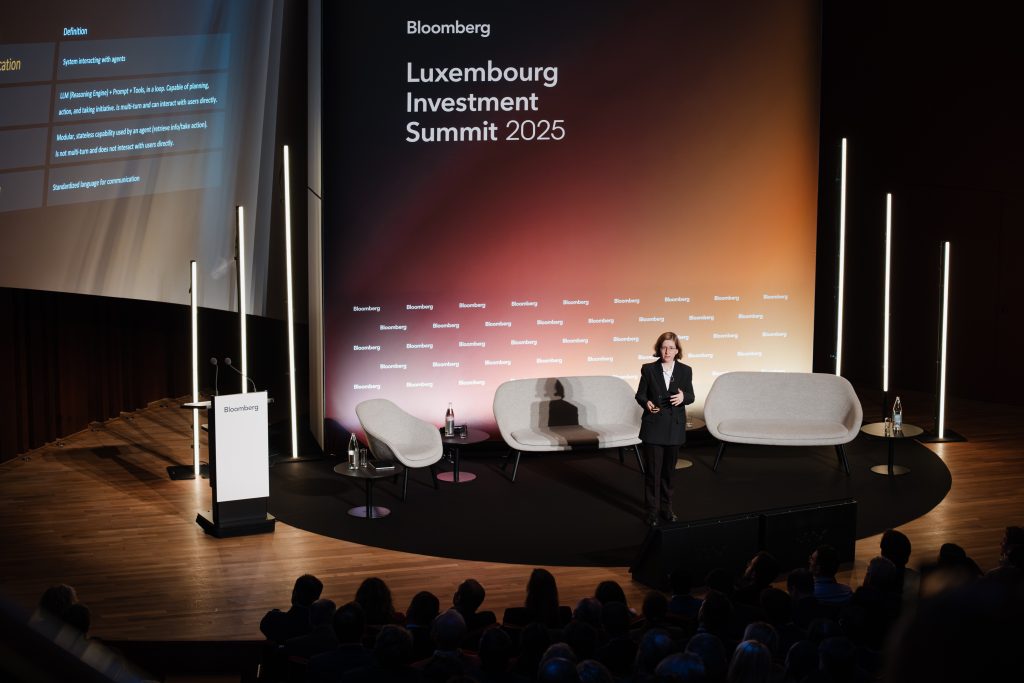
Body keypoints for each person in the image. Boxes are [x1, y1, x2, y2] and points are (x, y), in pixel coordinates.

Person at [635, 331, 695, 526]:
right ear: (658, 349)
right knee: (653, 473)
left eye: (671, 347)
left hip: (674, 429)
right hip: (653, 427)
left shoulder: (685, 370)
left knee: (668, 474)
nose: (667, 351)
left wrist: (683, 398)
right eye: (664, 347)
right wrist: (647, 403)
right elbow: (640, 395)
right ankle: (651, 511)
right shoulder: (648, 369)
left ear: (677, 350)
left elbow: (691, 396)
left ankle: (666, 509)